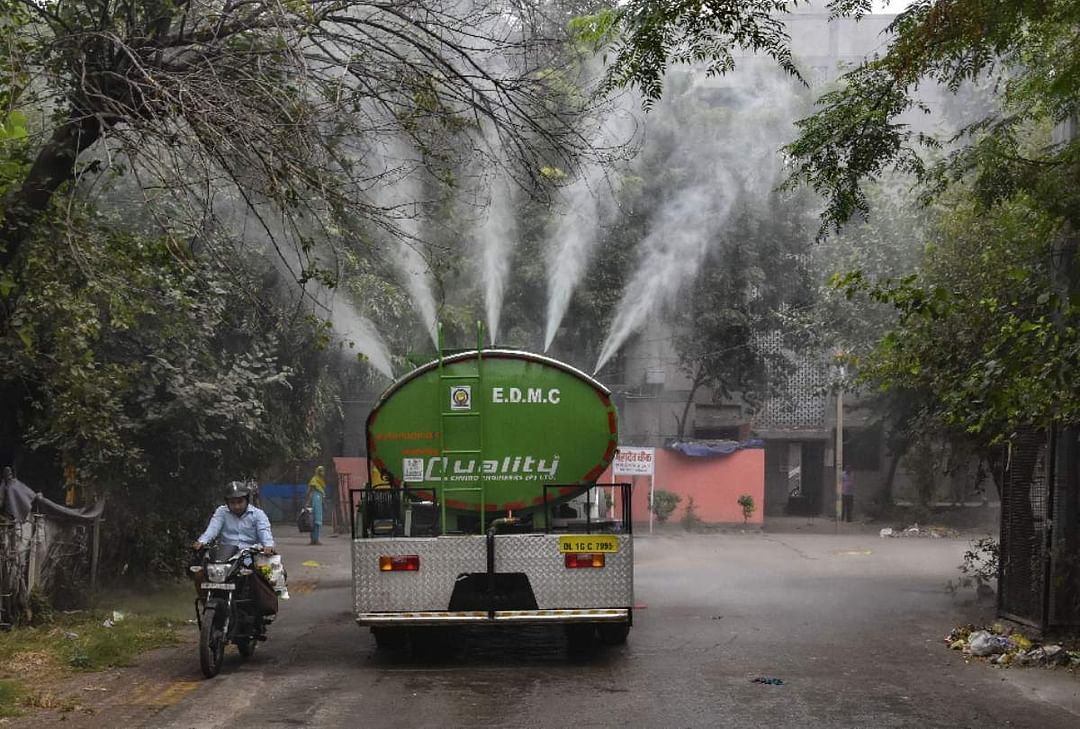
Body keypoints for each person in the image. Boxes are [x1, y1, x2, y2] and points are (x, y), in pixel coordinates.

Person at [193, 481, 275, 554]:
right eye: (232, 502)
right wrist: (202, 541)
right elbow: (213, 528)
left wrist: (268, 545)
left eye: (240, 502)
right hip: (224, 557)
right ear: (227, 502)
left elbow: (264, 531)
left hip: (251, 556)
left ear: (247, 500)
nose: (237, 506)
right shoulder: (221, 512)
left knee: (273, 570)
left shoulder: (258, 514)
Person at [306, 465, 326, 545]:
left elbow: (322, 493)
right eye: (320, 470)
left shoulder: (320, 481)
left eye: (323, 470)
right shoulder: (314, 480)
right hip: (314, 502)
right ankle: (314, 540)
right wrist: (308, 503)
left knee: (317, 521)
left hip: (319, 502)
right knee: (313, 521)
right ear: (317, 471)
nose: (322, 472)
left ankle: (315, 539)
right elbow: (310, 492)